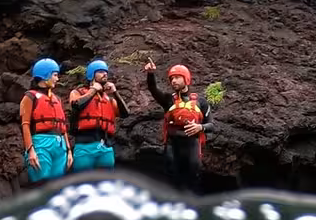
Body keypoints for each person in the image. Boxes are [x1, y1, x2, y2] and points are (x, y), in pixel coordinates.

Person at [143, 59, 213, 192]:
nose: (173, 81)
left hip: (192, 146)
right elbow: (153, 88)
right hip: (172, 147)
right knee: (172, 181)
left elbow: (212, 125)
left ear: (186, 79)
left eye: (177, 77)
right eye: (171, 78)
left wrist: (200, 127)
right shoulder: (168, 99)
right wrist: (151, 73)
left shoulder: (201, 102)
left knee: (193, 180)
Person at [68, 59, 130, 171]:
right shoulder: (77, 93)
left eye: (106, 71)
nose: (105, 74)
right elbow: (76, 105)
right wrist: (93, 90)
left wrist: (115, 93)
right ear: (92, 74)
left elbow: (125, 114)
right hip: (84, 146)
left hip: (106, 147)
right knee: (83, 183)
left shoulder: (109, 100)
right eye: (101, 71)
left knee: (106, 184)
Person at [19, 59, 71, 183]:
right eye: (55, 75)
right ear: (45, 74)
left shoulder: (57, 99)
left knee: (57, 187)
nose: (57, 79)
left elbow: (63, 128)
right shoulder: (30, 96)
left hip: (60, 146)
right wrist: (30, 150)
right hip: (41, 144)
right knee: (41, 184)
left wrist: (69, 151)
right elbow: (25, 125)